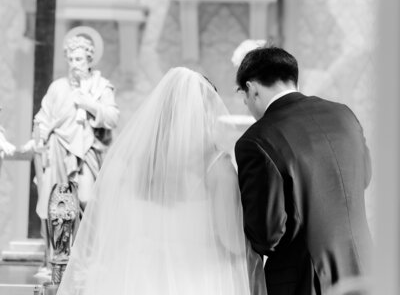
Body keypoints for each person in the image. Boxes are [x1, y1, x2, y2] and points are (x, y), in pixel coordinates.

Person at [57, 67, 267, 295]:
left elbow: (109, 229)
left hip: (138, 277)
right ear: (206, 112)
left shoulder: (132, 163)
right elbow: (232, 242)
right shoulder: (218, 168)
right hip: (199, 278)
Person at [234, 46, 372, 295]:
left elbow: (267, 237)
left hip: (307, 281)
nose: (248, 107)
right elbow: (364, 177)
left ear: (252, 88)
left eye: (245, 98)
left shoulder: (256, 141)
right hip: (364, 267)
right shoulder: (344, 114)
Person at [22, 26, 119, 220]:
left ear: (89, 59)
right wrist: (36, 139)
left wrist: (89, 104)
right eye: (71, 59)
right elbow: (43, 118)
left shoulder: (101, 87)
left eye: (79, 59)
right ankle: (64, 248)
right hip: (60, 151)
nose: (75, 64)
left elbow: (112, 117)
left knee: (86, 197)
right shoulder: (58, 87)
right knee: (61, 205)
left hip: (88, 152)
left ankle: (87, 243)